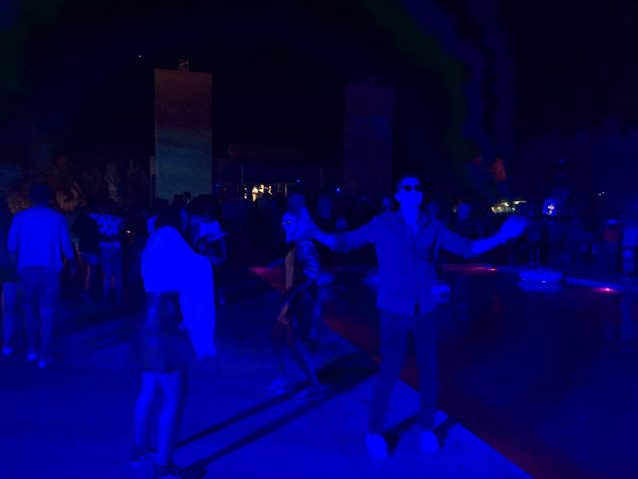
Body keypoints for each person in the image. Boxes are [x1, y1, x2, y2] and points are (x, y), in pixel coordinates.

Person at [308, 174, 526, 458]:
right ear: (398, 195)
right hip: (393, 309)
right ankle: (374, 431)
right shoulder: (382, 224)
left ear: (421, 195)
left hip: (424, 308)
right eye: (406, 188)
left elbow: (467, 248)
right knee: (390, 369)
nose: (413, 191)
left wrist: (501, 237)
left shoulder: (432, 226)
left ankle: (426, 428)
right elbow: (344, 242)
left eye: (417, 188)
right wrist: (314, 231)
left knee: (429, 369)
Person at [133, 206, 215, 479]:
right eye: (185, 219)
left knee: (148, 387)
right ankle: (163, 466)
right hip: (164, 319)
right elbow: (196, 268)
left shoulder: (154, 238)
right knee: (174, 396)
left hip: (148, 315)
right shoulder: (170, 235)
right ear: (176, 222)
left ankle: (140, 449)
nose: (188, 221)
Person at [7, 183, 76, 367]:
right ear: (49, 198)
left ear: (31, 198)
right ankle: (44, 356)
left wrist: (17, 266)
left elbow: (11, 246)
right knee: (47, 313)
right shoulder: (57, 218)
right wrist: (73, 265)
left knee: (28, 310)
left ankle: (32, 350)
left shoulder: (20, 218)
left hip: (27, 270)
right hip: (49, 270)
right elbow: (66, 246)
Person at [269, 208, 324, 400]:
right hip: (295, 298)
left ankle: (313, 385)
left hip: (301, 300)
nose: (285, 225)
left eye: (289, 222)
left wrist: (293, 294)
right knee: (279, 338)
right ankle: (282, 378)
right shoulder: (297, 244)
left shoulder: (305, 245)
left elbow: (313, 274)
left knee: (294, 342)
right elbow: (295, 264)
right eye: (284, 222)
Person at [0, 198, 19, 356]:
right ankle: (7, 343)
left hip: (7, 265)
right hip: (8, 266)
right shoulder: (10, 222)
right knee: (9, 307)